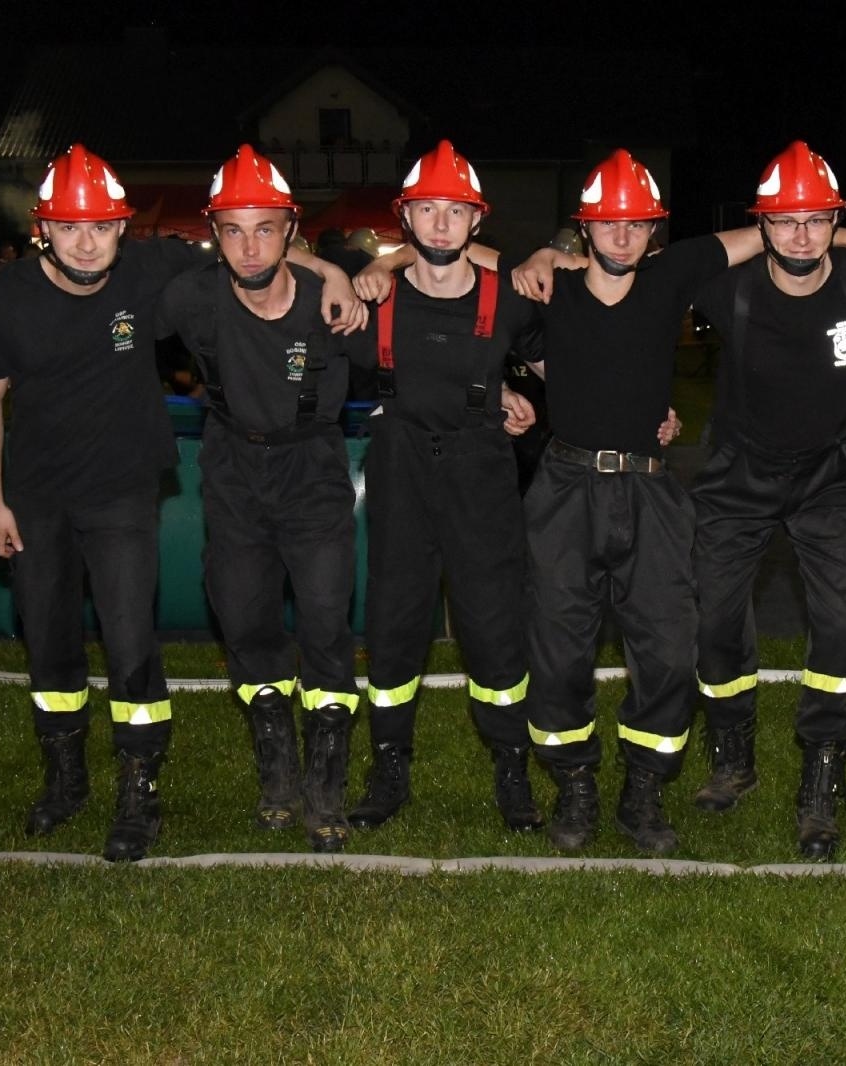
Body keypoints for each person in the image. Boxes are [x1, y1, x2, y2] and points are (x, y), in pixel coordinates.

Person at [513, 150, 787, 855]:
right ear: (586, 227)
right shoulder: (551, 288)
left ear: (655, 230)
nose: (624, 236)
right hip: (566, 488)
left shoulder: (672, 275)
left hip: (652, 490)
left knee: (668, 647)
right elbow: (454, 286)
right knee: (558, 649)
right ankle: (574, 783)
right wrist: (502, 396)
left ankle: (644, 789)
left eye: (638, 224)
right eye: (610, 224)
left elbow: (775, 231)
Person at [0, 144, 211, 862]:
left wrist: (349, 272)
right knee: (47, 640)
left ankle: (139, 791)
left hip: (124, 490)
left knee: (131, 641)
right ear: (43, 229)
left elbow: (250, 252)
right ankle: (64, 778)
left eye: (100, 227)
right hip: (36, 497)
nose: (85, 242)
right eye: (69, 227)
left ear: (123, 229)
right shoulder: (5, 298)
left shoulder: (149, 267)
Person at [686, 141, 846, 859]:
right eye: (784, 221)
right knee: (715, 617)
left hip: (828, 481)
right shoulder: (731, 287)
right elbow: (633, 269)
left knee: (840, 630)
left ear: (838, 221)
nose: (801, 236)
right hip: (738, 475)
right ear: (762, 227)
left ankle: (822, 774)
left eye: (816, 219)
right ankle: (733, 755)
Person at [154, 145, 366, 851]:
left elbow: (431, 301)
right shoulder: (189, 295)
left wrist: (513, 392)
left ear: (290, 230)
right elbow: (102, 302)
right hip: (232, 470)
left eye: (265, 228)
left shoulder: (334, 302)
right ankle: (278, 772)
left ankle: (325, 787)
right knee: (243, 623)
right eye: (233, 229)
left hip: (313, 472)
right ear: (214, 233)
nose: (250, 246)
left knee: (328, 624)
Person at [338, 141, 548, 834]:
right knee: (395, 622)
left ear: (475, 222)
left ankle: (511, 765)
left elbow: (571, 365)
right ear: (405, 219)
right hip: (401, 467)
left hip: (481, 469)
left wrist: (527, 395)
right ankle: (389, 763)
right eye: (425, 211)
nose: (438, 224)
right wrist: (374, 265)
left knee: (493, 621)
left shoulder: (511, 301)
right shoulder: (372, 301)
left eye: (453, 212)